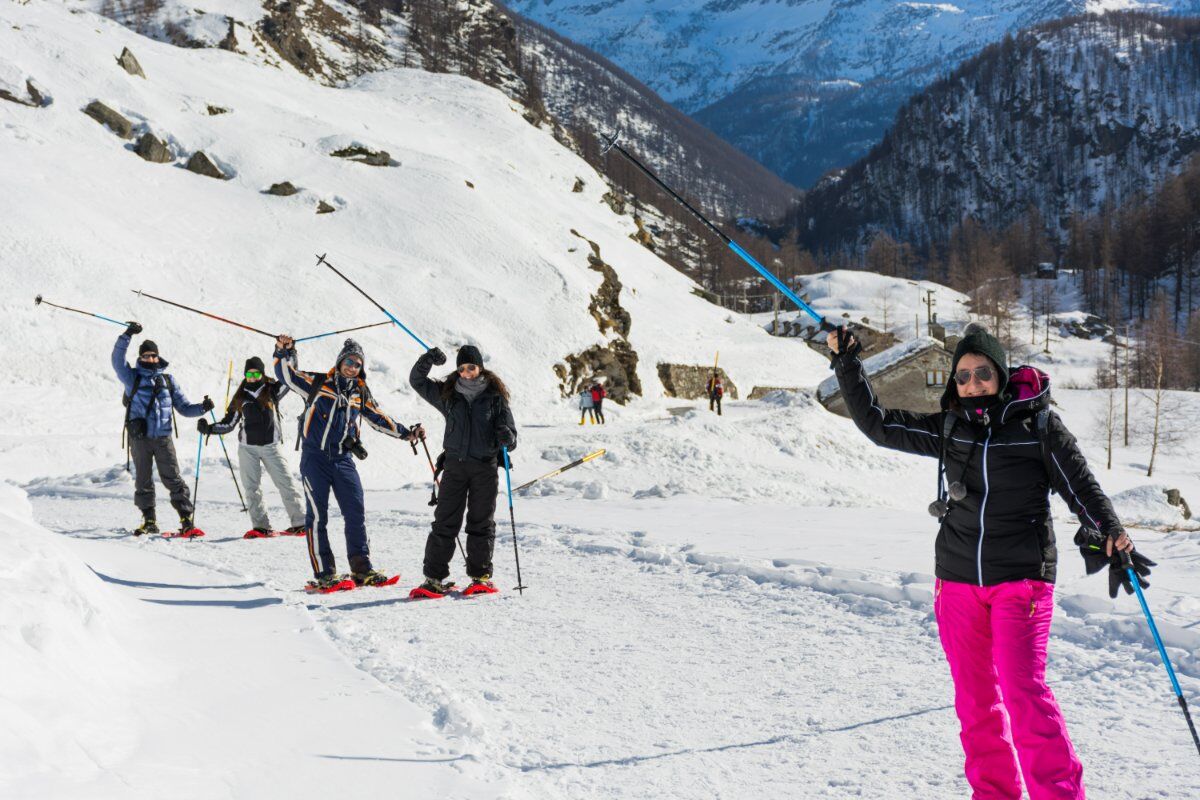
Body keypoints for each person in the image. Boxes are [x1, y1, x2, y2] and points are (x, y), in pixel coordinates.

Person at [827, 322, 1153, 800]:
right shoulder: (950, 428)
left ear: (1000, 373)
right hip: (956, 581)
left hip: (1020, 581)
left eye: (982, 372)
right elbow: (877, 425)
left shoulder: (1038, 426)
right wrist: (847, 362)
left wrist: (1111, 532)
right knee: (976, 702)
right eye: (962, 376)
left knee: (1024, 697)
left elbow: (1081, 488)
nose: (973, 383)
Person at [274, 336, 419, 589]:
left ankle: (362, 570)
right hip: (315, 459)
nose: (353, 367)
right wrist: (284, 351)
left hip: (343, 460)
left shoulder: (359, 392)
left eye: (358, 364)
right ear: (340, 362)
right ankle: (325, 573)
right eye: (349, 361)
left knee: (355, 512)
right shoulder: (318, 383)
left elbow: (378, 417)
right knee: (318, 516)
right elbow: (286, 375)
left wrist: (407, 433)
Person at [409, 344, 517, 598]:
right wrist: (428, 359)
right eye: (461, 368)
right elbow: (417, 380)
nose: (466, 372)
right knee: (445, 522)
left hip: (484, 468)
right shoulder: (448, 394)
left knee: (481, 523)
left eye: (471, 367)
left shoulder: (495, 397)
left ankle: (480, 577)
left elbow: (512, 441)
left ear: (480, 367)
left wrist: (506, 436)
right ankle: (433, 578)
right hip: (455, 468)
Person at [112, 322, 212, 535]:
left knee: (173, 478)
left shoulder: (167, 380)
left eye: (153, 355)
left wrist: (202, 408)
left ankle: (186, 519)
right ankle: (149, 521)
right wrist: (127, 335)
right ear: (140, 358)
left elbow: (184, 407)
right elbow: (117, 361)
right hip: (140, 439)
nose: (150, 359)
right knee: (143, 480)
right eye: (146, 356)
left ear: (158, 357)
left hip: (163, 438)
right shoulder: (132, 378)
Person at [200, 356, 306, 538]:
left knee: (286, 483)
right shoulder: (241, 396)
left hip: (271, 447)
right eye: (249, 373)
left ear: (262, 374)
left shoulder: (272, 390)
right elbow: (230, 423)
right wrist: (209, 428)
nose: (253, 376)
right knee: (252, 488)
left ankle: (300, 523)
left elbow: (289, 378)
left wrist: (289, 352)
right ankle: (261, 526)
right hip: (247, 448)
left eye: (256, 373)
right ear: (245, 375)